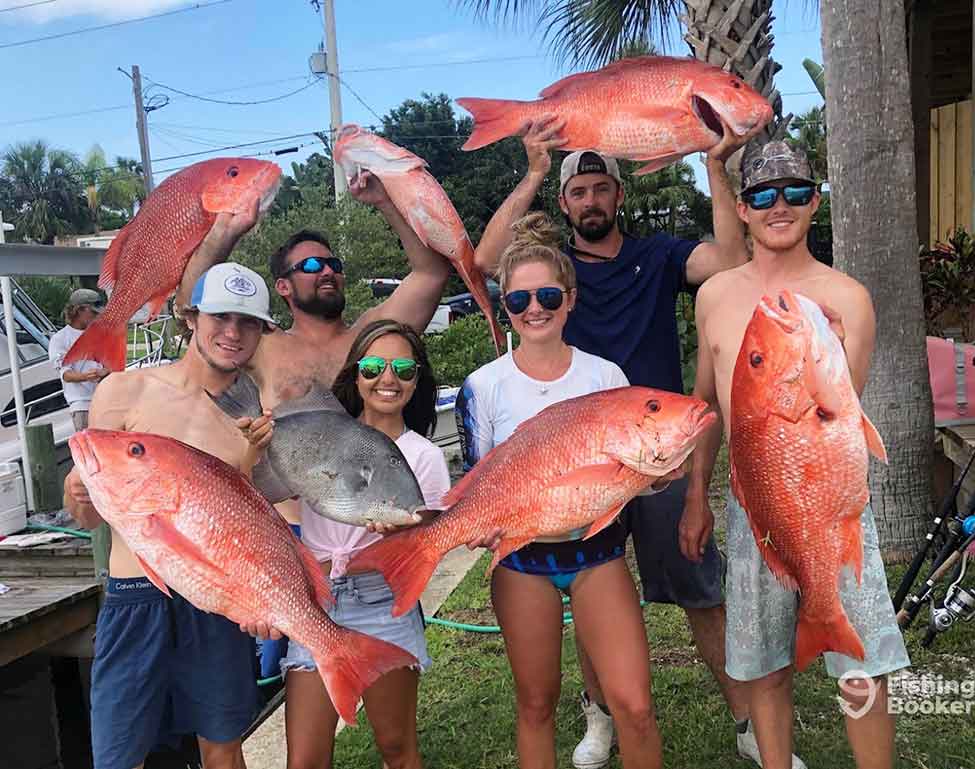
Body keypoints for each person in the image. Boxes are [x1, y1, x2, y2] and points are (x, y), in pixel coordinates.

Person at [473, 120, 800, 769]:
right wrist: (536, 172)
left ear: (617, 195)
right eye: (578, 192)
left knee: (698, 584)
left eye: (600, 188)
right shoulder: (554, 274)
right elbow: (485, 262)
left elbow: (731, 262)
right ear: (565, 205)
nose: (590, 200)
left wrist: (713, 167)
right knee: (594, 574)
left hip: (655, 447)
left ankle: (743, 716)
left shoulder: (657, 256)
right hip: (575, 456)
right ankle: (599, 716)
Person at [681, 141, 910, 769]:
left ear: (815, 201)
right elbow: (705, 405)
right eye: (761, 195)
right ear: (741, 207)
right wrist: (697, 496)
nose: (777, 206)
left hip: (832, 508)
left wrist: (823, 361)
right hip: (754, 507)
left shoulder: (848, 298)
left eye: (793, 193)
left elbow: (841, 424)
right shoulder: (715, 296)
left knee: (865, 665)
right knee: (762, 665)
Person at [458, 212, 678, 769]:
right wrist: (472, 525)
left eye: (549, 296)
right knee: (536, 704)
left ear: (571, 300)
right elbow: (477, 481)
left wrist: (657, 478)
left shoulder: (606, 377)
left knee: (635, 705)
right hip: (522, 563)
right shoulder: (482, 387)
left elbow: (625, 481)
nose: (535, 309)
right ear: (504, 306)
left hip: (596, 556)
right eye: (519, 300)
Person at [62, 262, 276, 769]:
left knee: (222, 746)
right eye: (220, 316)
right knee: (118, 756)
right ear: (189, 316)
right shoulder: (123, 391)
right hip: (135, 599)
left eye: (248, 322)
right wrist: (76, 490)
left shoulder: (251, 421)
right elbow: (90, 520)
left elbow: (242, 529)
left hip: (213, 602)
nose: (232, 332)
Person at [247, 319, 447, 769]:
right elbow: (262, 491)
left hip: (382, 603)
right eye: (374, 366)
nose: (388, 379)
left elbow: (425, 547)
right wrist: (255, 448)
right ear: (356, 373)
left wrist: (399, 540)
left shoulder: (425, 457)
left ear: (418, 380)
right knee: (305, 759)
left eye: (403, 369)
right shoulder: (321, 430)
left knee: (397, 748)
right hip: (317, 602)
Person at [48, 287, 109, 430]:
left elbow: (111, 365)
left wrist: (105, 372)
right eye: (94, 312)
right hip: (81, 405)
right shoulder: (60, 339)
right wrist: (86, 376)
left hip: (106, 401)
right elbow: (65, 374)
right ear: (80, 310)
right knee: (87, 450)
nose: (97, 316)